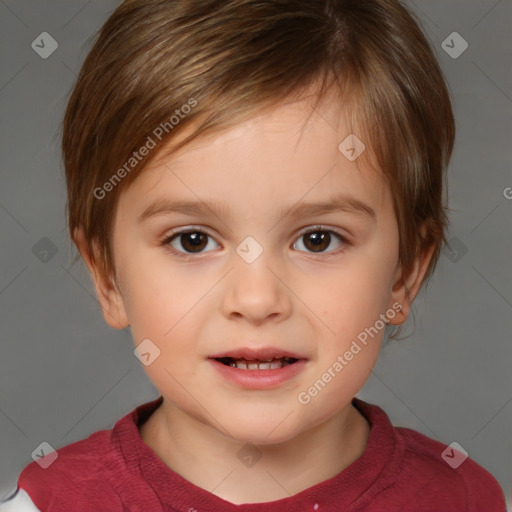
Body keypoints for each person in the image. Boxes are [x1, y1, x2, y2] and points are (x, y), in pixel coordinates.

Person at [1, 0, 506, 510]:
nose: (258, 299)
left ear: (405, 273)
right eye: (192, 240)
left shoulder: (465, 499)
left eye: (318, 239)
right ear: (108, 276)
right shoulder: (49, 504)